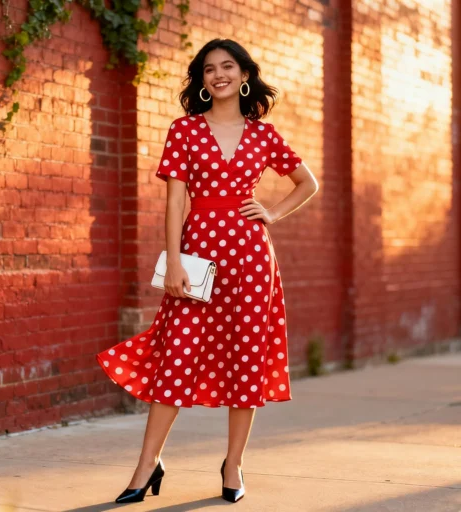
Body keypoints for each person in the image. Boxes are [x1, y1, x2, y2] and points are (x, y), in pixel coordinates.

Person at [96, 38, 319, 504]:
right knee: (176, 356)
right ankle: (146, 465)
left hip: (252, 260)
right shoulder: (184, 131)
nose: (218, 74)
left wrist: (273, 214)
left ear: (243, 75)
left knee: (246, 361)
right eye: (209, 69)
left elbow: (307, 183)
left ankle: (233, 464)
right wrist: (173, 259)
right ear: (201, 81)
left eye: (228, 66)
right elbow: (175, 200)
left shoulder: (263, 134)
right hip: (197, 258)